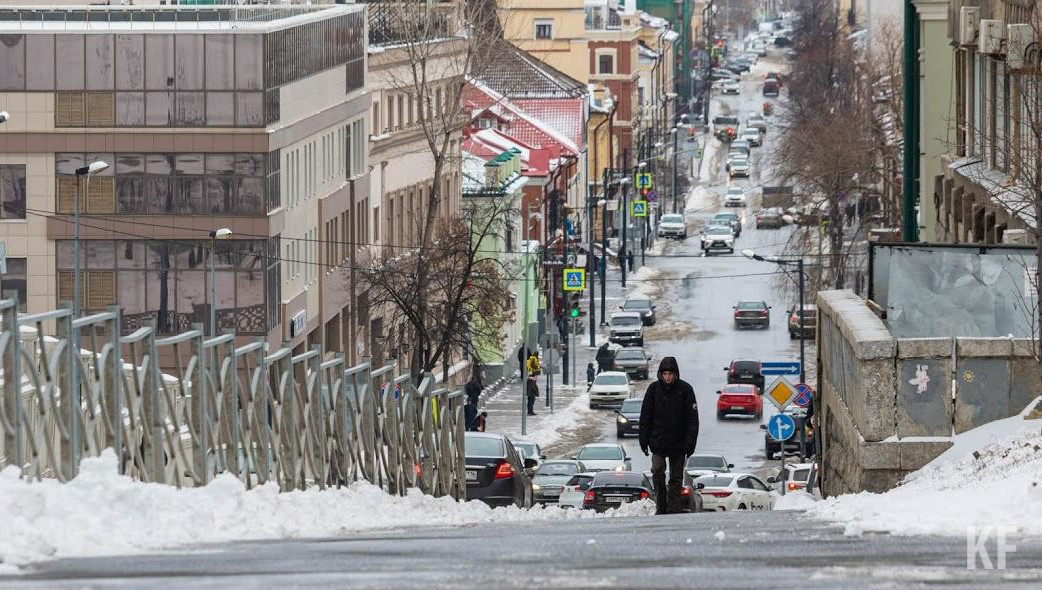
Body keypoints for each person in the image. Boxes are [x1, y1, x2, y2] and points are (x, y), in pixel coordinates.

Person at [638, 356, 699, 515]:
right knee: (657, 471)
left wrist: (690, 443)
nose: (667, 377)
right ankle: (661, 505)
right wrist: (643, 440)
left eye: (670, 374)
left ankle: (673, 508)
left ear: (675, 374)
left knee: (676, 478)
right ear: (660, 374)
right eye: (664, 374)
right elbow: (645, 416)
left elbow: (693, 420)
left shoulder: (685, 390)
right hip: (658, 441)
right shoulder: (653, 390)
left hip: (679, 443)